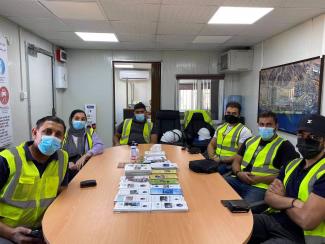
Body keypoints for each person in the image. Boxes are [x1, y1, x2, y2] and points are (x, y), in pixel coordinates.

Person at [249, 114, 325, 244]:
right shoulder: (292, 164)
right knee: (235, 225)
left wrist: (282, 199)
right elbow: (268, 197)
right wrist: (293, 202)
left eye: (313, 137)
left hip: (299, 237)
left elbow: (306, 221)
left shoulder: (322, 171)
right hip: (272, 219)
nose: (305, 140)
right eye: (301, 135)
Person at [0, 116, 68, 244]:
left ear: (63, 139)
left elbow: (62, 191)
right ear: (34, 132)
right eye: (47, 132)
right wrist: (10, 233)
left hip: (42, 228)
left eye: (58, 134)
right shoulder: (7, 160)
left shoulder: (62, 158)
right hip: (7, 231)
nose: (52, 137)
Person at [225, 111, 299, 213]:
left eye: (269, 125)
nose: (264, 128)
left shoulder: (285, 146)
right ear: (258, 125)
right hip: (238, 180)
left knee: (241, 211)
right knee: (216, 190)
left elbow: (289, 175)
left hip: (261, 187)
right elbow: (236, 160)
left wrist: (260, 179)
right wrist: (238, 173)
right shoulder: (250, 140)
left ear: (276, 126)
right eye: (262, 124)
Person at [207, 102, 252, 174]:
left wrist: (221, 160)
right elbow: (211, 145)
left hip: (230, 164)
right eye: (228, 113)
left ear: (239, 115)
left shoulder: (244, 131)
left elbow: (240, 155)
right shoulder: (220, 128)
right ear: (225, 113)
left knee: (211, 174)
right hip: (216, 160)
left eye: (234, 113)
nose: (230, 115)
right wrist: (213, 157)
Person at [62, 109, 104, 182]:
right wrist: (66, 162)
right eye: (77, 118)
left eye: (83, 119)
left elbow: (99, 145)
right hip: (67, 171)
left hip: (87, 167)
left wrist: (87, 155)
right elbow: (57, 152)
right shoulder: (64, 134)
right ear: (71, 120)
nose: (80, 121)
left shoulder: (89, 131)